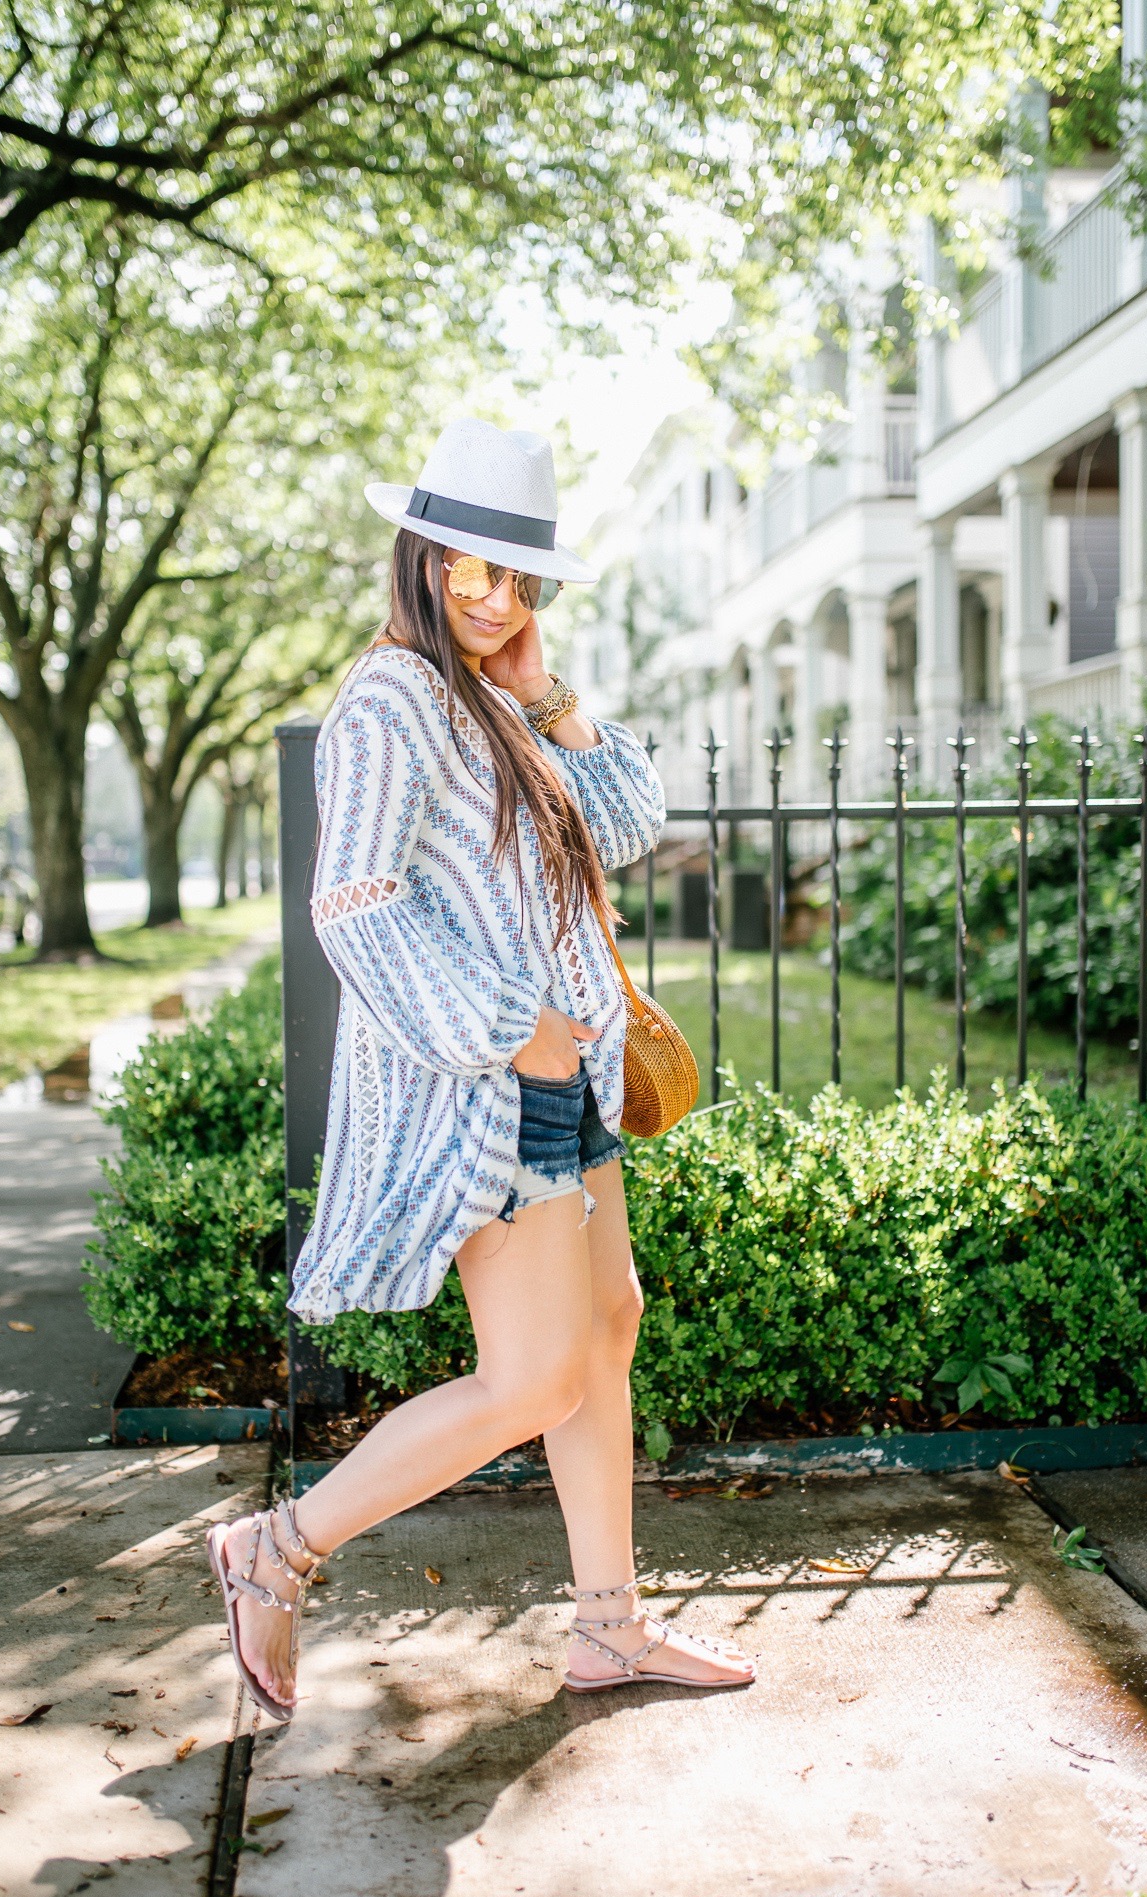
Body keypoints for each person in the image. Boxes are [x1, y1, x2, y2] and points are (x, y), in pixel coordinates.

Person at [207, 419, 757, 1720]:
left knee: (605, 1325)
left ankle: (609, 1629)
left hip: (561, 1077)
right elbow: (353, 903)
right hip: (487, 1087)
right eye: (468, 567)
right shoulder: (390, 701)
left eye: (516, 578)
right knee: (535, 1377)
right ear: (419, 556)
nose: (490, 595)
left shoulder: (489, 697)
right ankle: (272, 1550)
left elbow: (623, 828)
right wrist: (507, 1028)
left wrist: (547, 689)